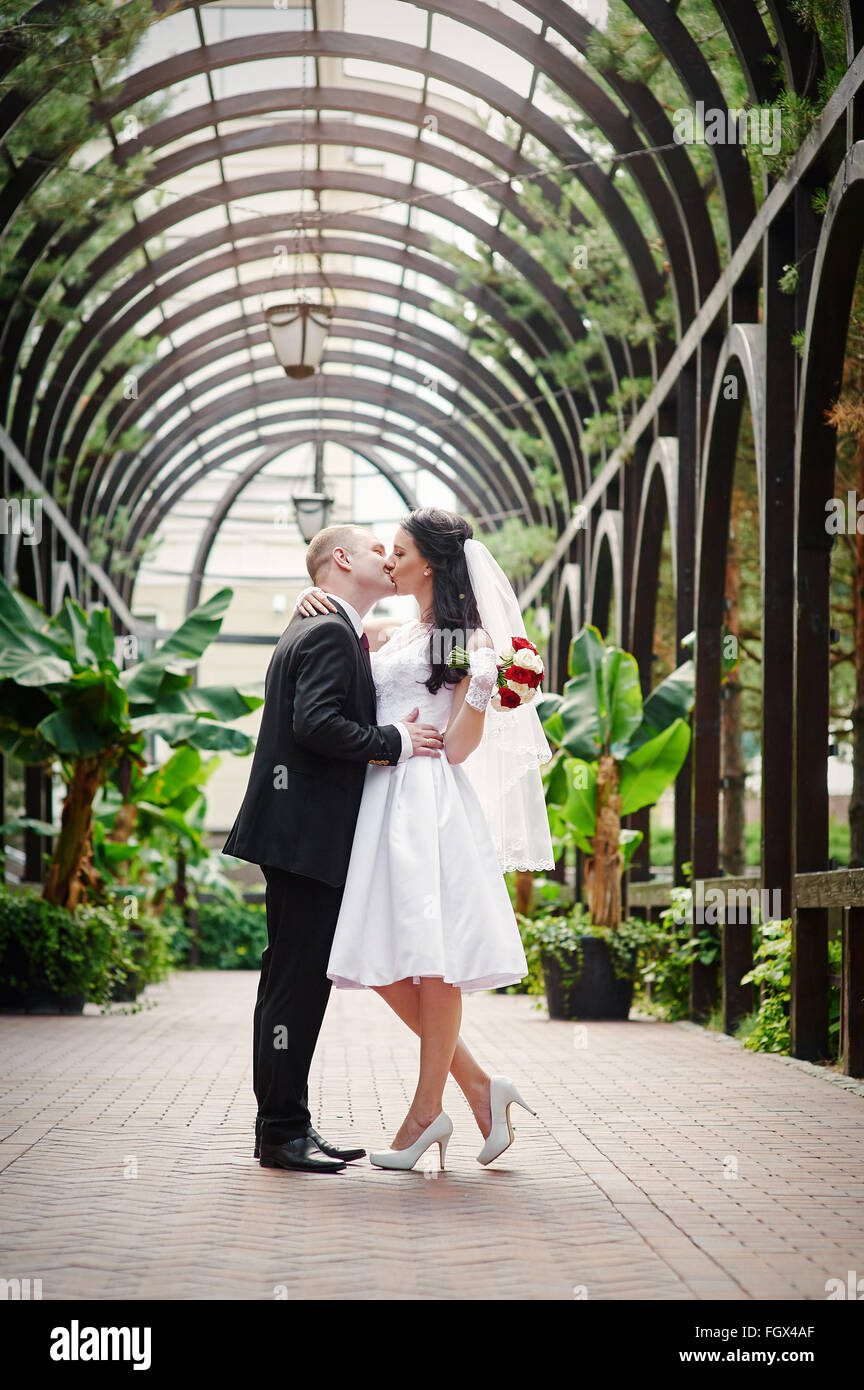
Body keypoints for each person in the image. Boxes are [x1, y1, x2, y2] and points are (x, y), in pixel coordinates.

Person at [294, 506, 554, 1170]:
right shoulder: (403, 630)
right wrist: (310, 592)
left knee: (430, 957)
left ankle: (424, 1111)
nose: (390, 559)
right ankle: (476, 1088)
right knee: (372, 949)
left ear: (430, 563)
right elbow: (346, 633)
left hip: (426, 799)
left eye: (401, 551)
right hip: (378, 795)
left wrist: (483, 688)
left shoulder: (470, 641)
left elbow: (463, 748)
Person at [222, 524, 447, 1173]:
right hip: (302, 835)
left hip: (297, 833)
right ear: (343, 560)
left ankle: (285, 1124)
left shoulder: (328, 624)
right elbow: (314, 724)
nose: (390, 557)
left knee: (290, 984)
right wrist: (395, 741)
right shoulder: (324, 628)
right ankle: (282, 1133)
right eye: (380, 548)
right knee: (294, 988)